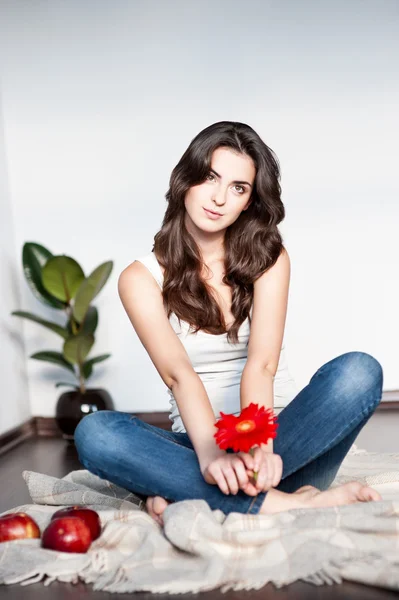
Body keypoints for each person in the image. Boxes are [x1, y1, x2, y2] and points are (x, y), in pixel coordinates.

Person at [74, 121, 383, 526]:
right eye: (210, 177)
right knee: (96, 433)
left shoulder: (269, 258)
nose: (219, 198)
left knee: (359, 371)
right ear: (186, 179)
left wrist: (259, 450)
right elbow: (179, 375)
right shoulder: (140, 278)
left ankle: (192, 494)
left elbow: (262, 364)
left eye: (238, 188)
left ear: (249, 202)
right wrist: (211, 456)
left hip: (281, 448)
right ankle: (286, 505)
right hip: (201, 446)